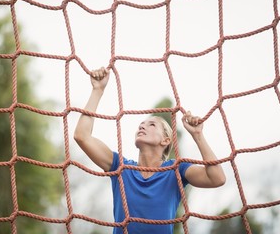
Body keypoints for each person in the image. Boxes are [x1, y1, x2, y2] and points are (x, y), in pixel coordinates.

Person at [74, 67, 226, 234]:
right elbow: (82, 136)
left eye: (151, 124)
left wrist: (198, 135)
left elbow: (217, 178)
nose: (142, 126)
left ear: (166, 140)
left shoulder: (175, 170)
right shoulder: (121, 167)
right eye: (142, 124)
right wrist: (97, 90)